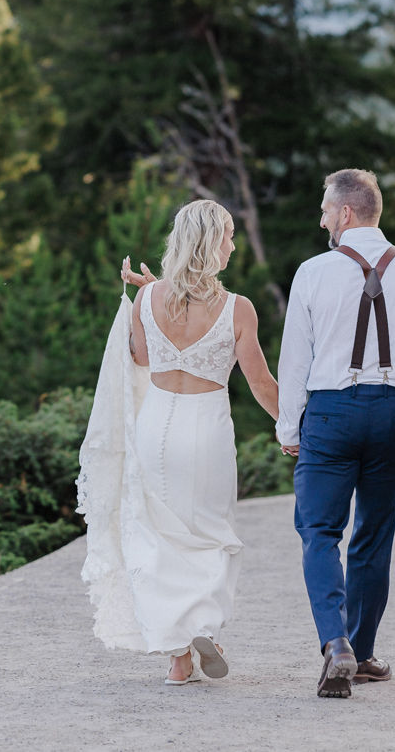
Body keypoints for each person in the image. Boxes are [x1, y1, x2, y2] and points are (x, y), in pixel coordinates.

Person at [276, 168, 395, 698]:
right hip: (392, 410)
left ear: (345, 213)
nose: (321, 219)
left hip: (331, 414)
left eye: (324, 209)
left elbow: (296, 360)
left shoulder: (312, 273)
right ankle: (361, 654)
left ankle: (335, 644)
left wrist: (287, 424)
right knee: (373, 535)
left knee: (319, 531)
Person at [78, 199, 281, 686]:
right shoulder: (238, 309)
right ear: (211, 243)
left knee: (156, 534)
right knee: (210, 532)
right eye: (229, 236)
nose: (233, 245)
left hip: (157, 427)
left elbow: (143, 358)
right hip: (206, 427)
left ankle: (177, 656)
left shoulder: (146, 301)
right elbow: (259, 382)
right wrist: (294, 426)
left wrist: (151, 298)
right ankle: (204, 625)